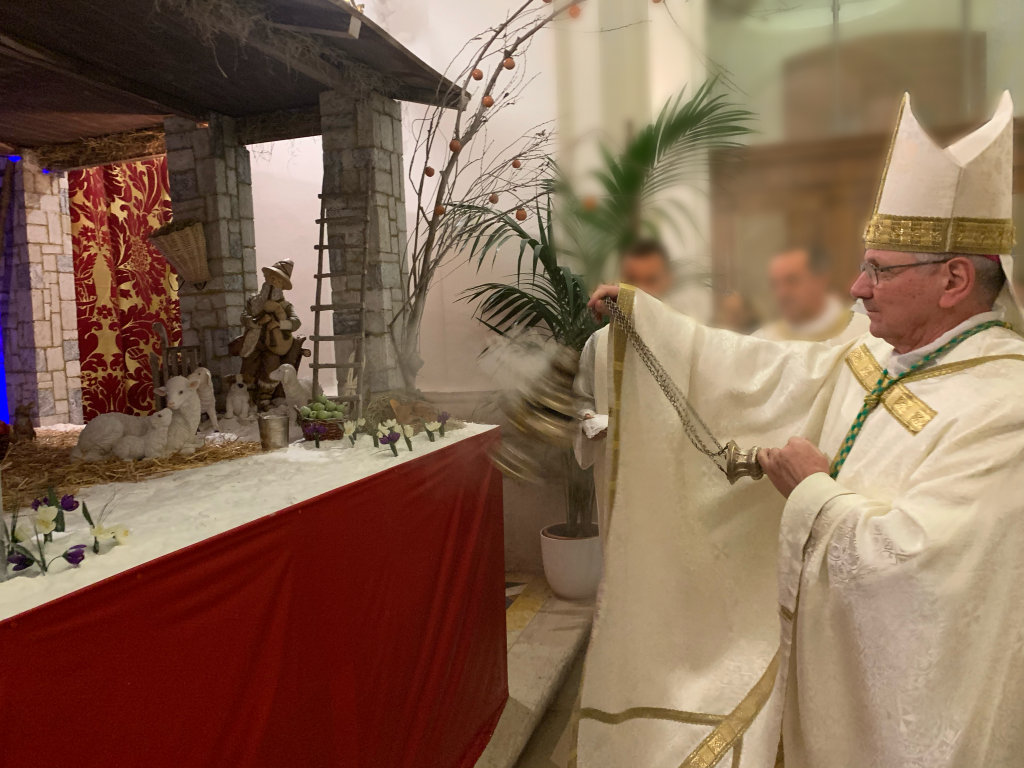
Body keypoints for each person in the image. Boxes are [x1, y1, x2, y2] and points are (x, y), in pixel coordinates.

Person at [573, 92, 1024, 768]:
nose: (857, 287)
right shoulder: (880, 353)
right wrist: (650, 330)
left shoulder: (1004, 407)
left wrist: (813, 493)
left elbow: (929, 580)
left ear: (955, 279)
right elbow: (771, 376)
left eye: (879, 270)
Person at [573, 240, 673, 481]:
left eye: (650, 280)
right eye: (631, 280)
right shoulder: (598, 343)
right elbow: (582, 399)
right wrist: (589, 421)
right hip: (613, 471)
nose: (640, 290)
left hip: (666, 472)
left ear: (667, 283)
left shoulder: (681, 339)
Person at [228, 259, 307, 410]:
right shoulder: (253, 301)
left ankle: (265, 400)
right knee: (248, 367)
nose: (272, 282)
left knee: (271, 367)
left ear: (282, 285)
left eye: (277, 280)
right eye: (271, 278)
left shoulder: (285, 306)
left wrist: (280, 324)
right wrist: (256, 322)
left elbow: (296, 322)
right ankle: (249, 400)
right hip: (254, 342)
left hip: (274, 345)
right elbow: (244, 316)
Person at [752, 246, 870, 344]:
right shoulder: (763, 341)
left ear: (821, 279)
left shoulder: (863, 332)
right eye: (775, 284)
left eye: (792, 281)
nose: (782, 293)